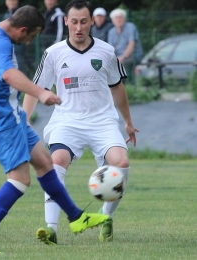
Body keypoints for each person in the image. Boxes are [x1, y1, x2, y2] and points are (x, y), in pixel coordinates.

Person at [0, 5, 109, 254]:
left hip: (12, 113)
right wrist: (41, 92)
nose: (29, 41)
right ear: (22, 29)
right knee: (20, 179)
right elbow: (9, 74)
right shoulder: (0, 43)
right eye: (30, 36)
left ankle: (76, 217)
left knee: (44, 162)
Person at [23, 0, 138, 245]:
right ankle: (50, 228)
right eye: (73, 21)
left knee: (122, 163)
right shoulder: (53, 53)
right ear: (66, 21)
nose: (78, 27)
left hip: (102, 122)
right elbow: (34, 90)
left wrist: (127, 122)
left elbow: (118, 88)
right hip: (67, 121)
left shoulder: (106, 51)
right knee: (55, 162)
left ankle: (105, 218)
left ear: (91, 22)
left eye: (83, 21)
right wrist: (24, 121)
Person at [107, 8, 143, 81]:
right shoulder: (111, 32)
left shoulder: (130, 27)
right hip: (118, 58)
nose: (119, 19)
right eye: (116, 17)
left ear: (125, 19)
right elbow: (111, 48)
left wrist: (123, 57)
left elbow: (131, 45)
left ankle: (125, 86)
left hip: (132, 56)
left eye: (121, 17)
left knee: (122, 66)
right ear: (113, 20)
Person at [3, 0, 27, 74]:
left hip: (19, 44)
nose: (12, 2)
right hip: (8, 44)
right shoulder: (6, 14)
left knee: (20, 64)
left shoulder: (21, 14)